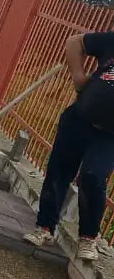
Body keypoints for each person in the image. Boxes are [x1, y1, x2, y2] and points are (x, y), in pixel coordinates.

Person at [24, 31, 114, 262]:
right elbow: (74, 42)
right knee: (58, 172)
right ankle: (44, 228)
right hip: (79, 119)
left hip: (109, 136)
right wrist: (77, 76)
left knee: (93, 176)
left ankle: (87, 238)